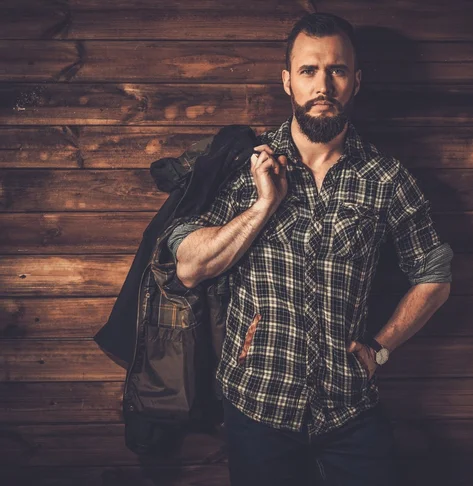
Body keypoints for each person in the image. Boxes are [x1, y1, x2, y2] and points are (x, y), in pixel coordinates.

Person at [167, 12, 453, 486]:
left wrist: (382, 348)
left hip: (350, 410)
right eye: (309, 70)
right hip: (257, 406)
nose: (324, 84)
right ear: (287, 82)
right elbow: (190, 267)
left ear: (355, 81)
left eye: (337, 70)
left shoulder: (386, 178)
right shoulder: (246, 166)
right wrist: (264, 205)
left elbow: (435, 274)